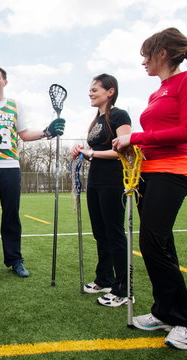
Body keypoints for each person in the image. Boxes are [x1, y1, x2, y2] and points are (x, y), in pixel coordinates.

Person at [113, 27, 187, 350]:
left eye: (147, 54)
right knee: (156, 242)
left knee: (154, 240)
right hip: (149, 171)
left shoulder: (184, 84)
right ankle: (163, 310)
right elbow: (155, 134)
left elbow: (184, 131)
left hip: (175, 170)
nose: (143, 61)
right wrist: (131, 149)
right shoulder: (155, 93)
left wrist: (136, 138)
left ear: (163, 53)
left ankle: (183, 317)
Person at [0, 65, 65, 277]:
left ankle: (15, 260)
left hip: (10, 167)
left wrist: (47, 132)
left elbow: (25, 134)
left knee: (11, 216)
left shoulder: (14, 105)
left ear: (5, 82)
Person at [72, 74, 132, 307]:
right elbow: (94, 149)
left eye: (95, 89)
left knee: (115, 234)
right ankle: (104, 279)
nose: (90, 92)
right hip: (95, 181)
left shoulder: (120, 115)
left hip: (113, 180)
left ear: (110, 91)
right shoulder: (96, 119)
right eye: (90, 89)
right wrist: (82, 151)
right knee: (101, 233)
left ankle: (123, 289)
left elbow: (123, 149)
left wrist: (92, 153)